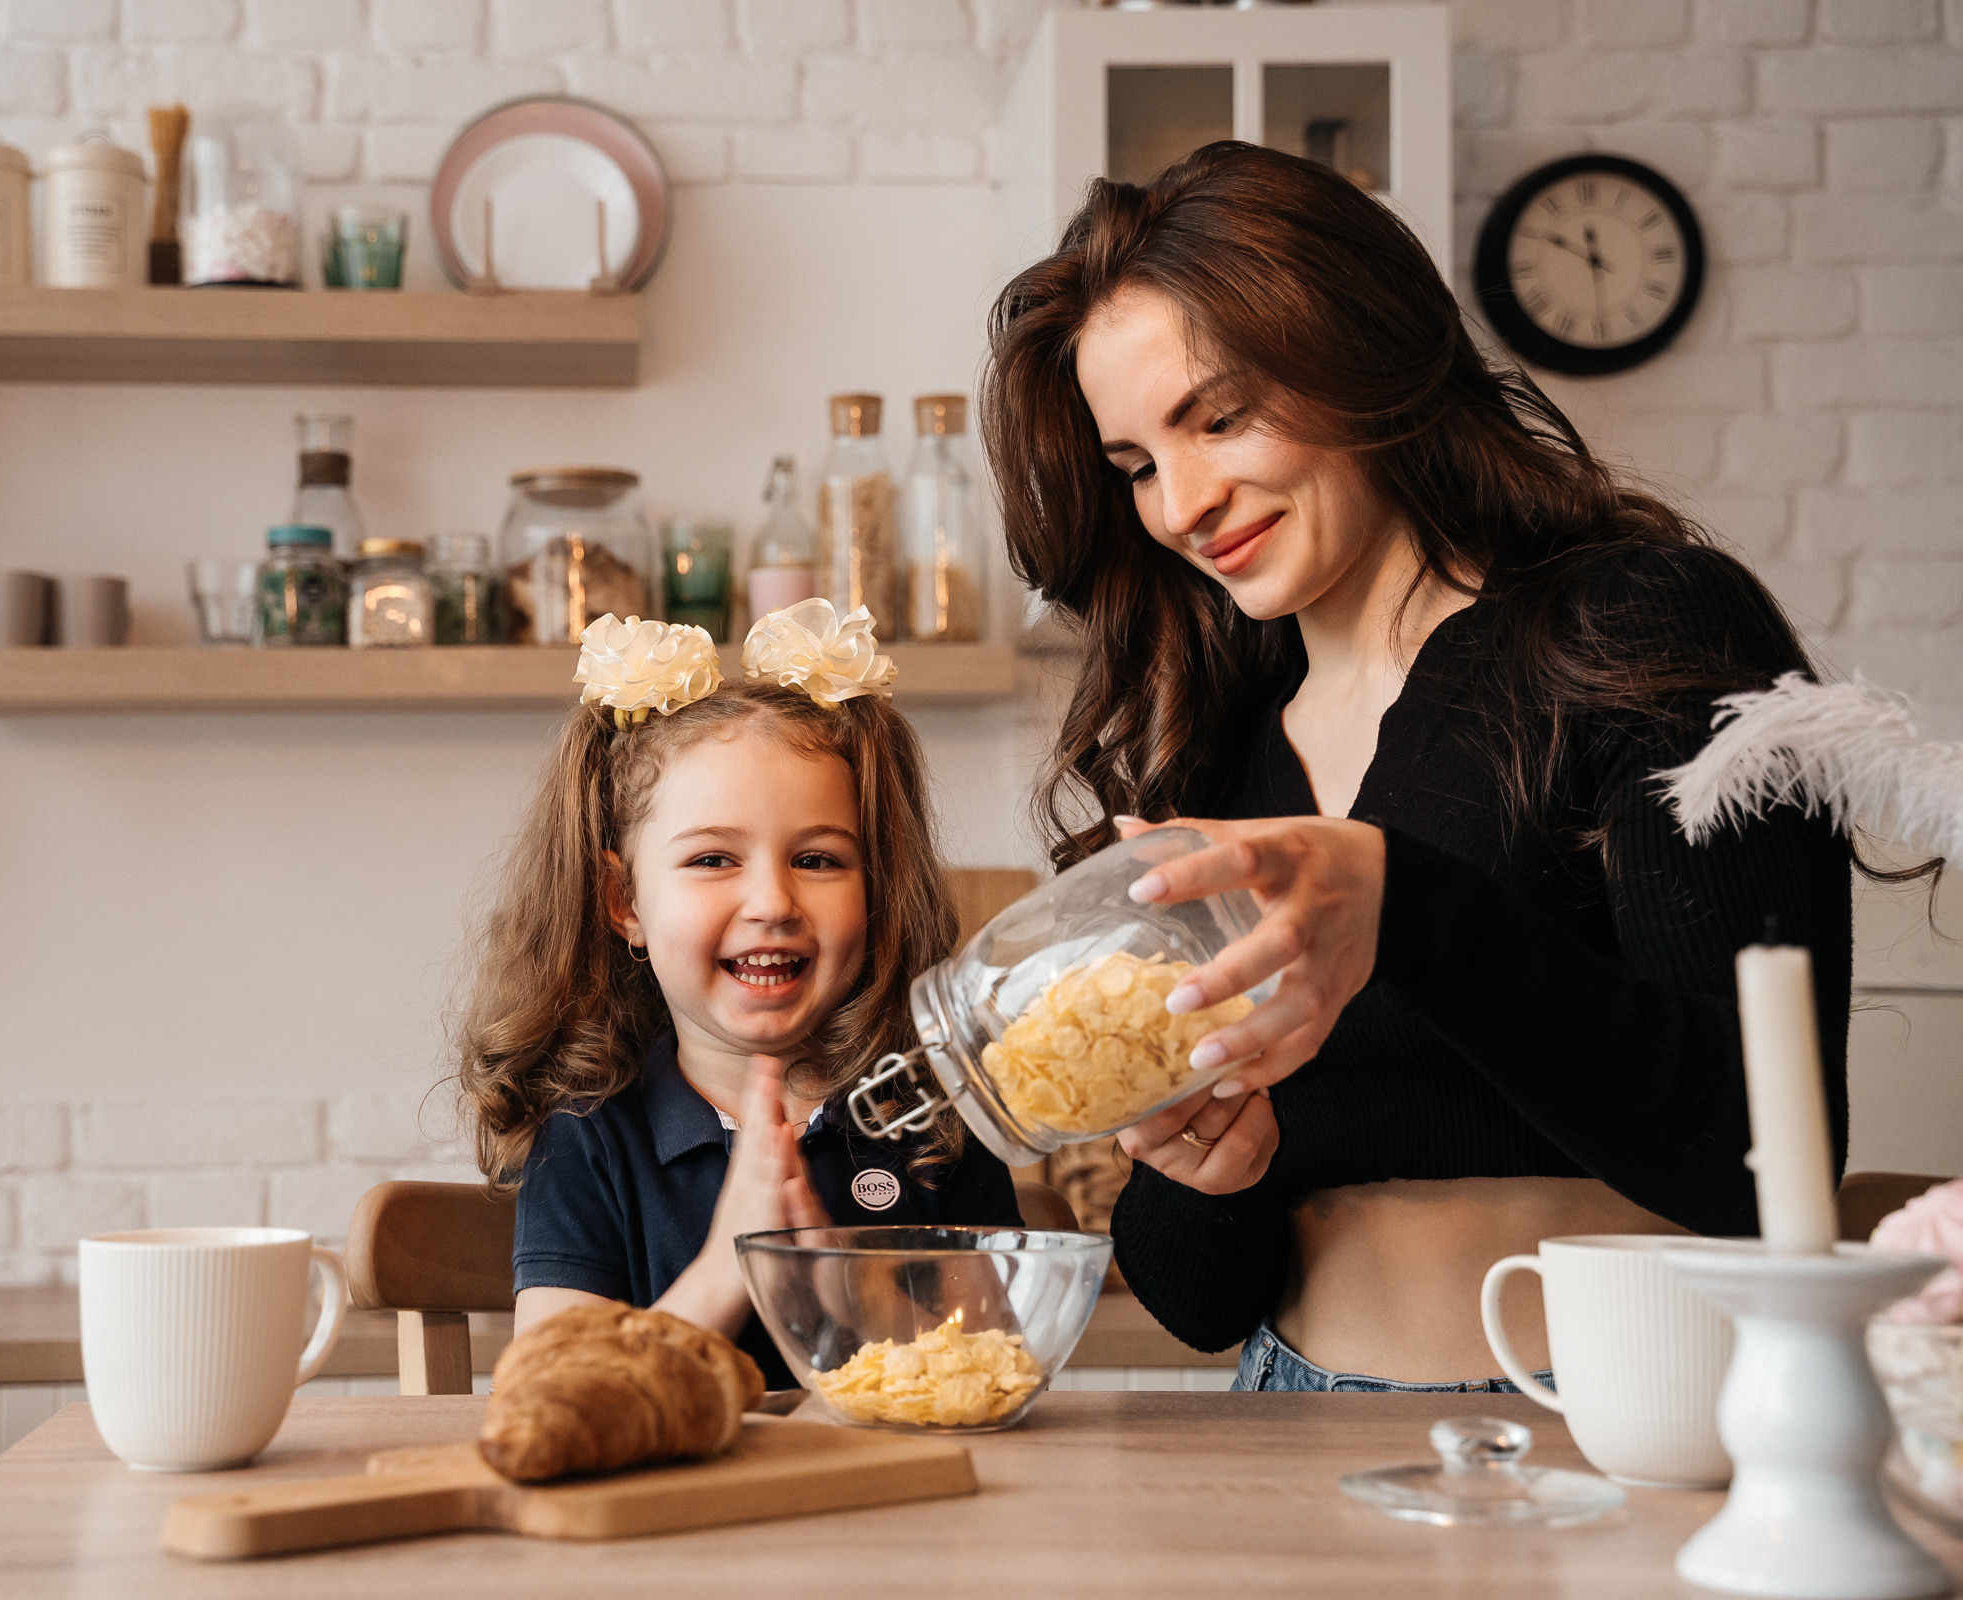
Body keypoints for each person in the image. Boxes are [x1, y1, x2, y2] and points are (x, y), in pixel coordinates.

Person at [980, 141, 1863, 1391]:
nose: (1181, 504)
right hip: (1289, 1419)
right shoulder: (1216, 760)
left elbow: (1766, 1154)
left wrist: (1406, 904)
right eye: (1136, 467)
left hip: (1613, 1432)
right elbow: (1195, 1303)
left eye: (1220, 417)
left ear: (1361, 354)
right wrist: (1212, 1179)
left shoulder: (1645, 628)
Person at [458, 603, 1023, 1390]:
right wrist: (735, 1261)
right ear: (625, 903)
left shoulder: (936, 1125)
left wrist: (838, 1289)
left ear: (878, 890)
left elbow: (992, 1381)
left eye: (820, 860)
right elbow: (554, 1397)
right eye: (714, 859)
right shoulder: (588, 1141)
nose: (772, 902)